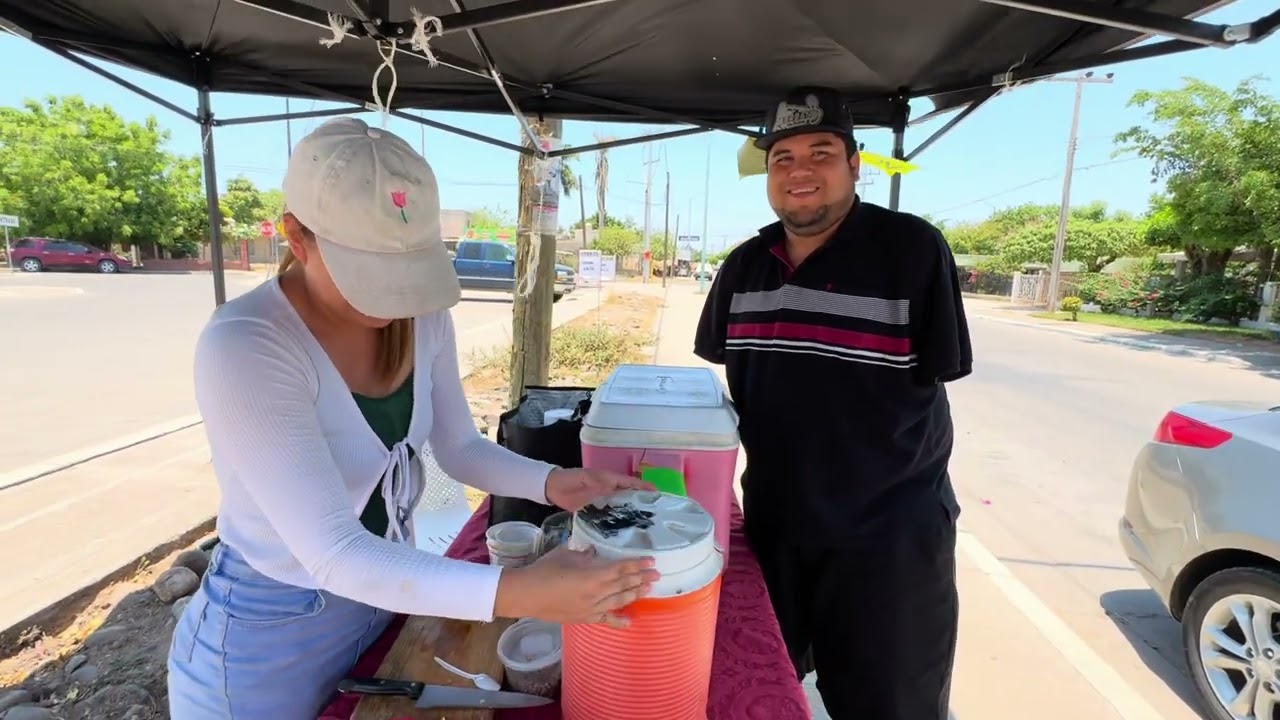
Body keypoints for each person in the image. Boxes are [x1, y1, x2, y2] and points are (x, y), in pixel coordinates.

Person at [168, 117, 659, 720]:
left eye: (404, 272)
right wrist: (524, 591)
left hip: (386, 592)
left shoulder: (420, 315)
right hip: (271, 632)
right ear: (297, 237)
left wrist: (554, 482)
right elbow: (333, 551)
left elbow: (457, 446)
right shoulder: (247, 345)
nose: (390, 300)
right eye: (367, 275)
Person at [694, 87, 971, 720]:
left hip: (890, 536)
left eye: (822, 152)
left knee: (889, 703)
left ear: (854, 165)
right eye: (782, 157)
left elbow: (936, 373)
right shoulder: (743, 267)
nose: (800, 170)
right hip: (777, 526)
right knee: (762, 689)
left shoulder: (912, 251)